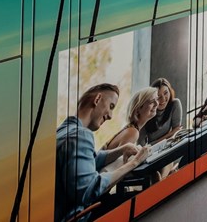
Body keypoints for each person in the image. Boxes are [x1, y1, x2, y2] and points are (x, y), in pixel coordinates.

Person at [55, 83, 150, 222]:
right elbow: (90, 190)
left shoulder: (63, 130)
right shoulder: (81, 135)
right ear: (97, 99)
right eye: (111, 106)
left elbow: (89, 160)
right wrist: (134, 163)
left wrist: (122, 149)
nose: (111, 116)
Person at [103, 87, 158, 153]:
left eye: (156, 99)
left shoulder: (131, 129)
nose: (156, 104)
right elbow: (119, 162)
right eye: (152, 101)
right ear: (138, 110)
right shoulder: (133, 132)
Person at [142, 77, 184, 144]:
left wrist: (154, 143)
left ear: (170, 91)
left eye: (165, 93)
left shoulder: (175, 104)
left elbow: (177, 134)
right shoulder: (146, 112)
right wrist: (170, 134)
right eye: (158, 96)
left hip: (169, 145)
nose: (163, 99)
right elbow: (142, 147)